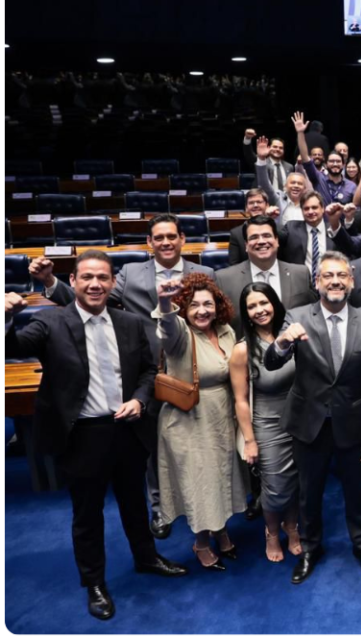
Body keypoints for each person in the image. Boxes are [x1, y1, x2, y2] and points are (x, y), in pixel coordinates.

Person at [4, 252, 188, 622]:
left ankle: (146, 557)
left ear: (112, 282)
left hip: (127, 429)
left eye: (102, 277)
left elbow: (150, 371)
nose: (95, 284)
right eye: (87, 277)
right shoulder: (50, 321)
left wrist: (139, 399)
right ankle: (95, 583)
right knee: (87, 515)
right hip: (82, 434)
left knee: (134, 502)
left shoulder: (131, 323)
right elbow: (13, 348)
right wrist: (6, 316)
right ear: (73, 282)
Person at [32, 214, 217, 540]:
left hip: (191, 371)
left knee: (196, 443)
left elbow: (218, 316)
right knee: (152, 447)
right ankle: (161, 509)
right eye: (158, 237)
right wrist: (50, 283)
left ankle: (199, 504)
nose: (165, 242)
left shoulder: (204, 274)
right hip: (145, 373)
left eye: (171, 236)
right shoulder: (130, 274)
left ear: (183, 239)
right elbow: (86, 300)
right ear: (149, 242)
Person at [264, 252, 361, 583]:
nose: (335, 281)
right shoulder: (297, 316)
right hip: (309, 423)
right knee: (309, 492)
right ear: (316, 282)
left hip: (353, 423)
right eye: (327, 275)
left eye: (341, 275)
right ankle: (309, 549)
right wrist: (280, 342)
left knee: (356, 491)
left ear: (352, 281)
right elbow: (272, 363)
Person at [153, 274, 247, 572]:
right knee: (200, 483)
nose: (202, 310)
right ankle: (202, 543)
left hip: (221, 415)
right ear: (184, 307)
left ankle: (220, 531)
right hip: (188, 420)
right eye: (193, 305)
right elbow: (167, 327)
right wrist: (165, 301)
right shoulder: (180, 333)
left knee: (220, 477)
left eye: (208, 303)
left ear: (218, 306)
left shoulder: (226, 331)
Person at [228, 283, 302, 564]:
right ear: (245, 313)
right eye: (252, 306)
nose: (260, 310)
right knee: (275, 486)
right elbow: (241, 400)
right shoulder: (242, 350)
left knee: (297, 481)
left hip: (299, 420)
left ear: (275, 303)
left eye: (264, 303)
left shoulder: (291, 334)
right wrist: (249, 440)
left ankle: (292, 527)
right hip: (267, 425)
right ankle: (271, 532)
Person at [216, 216, 319, 335]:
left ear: (277, 241)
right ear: (246, 245)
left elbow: (313, 315)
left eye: (267, 235)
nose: (261, 241)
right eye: (254, 237)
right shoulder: (224, 279)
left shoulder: (301, 274)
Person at [228, 189, 281, 266]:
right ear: (246, 208)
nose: (255, 205)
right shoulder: (236, 233)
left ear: (267, 205)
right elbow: (234, 265)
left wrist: (269, 219)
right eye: (251, 203)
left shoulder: (278, 229)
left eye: (259, 202)